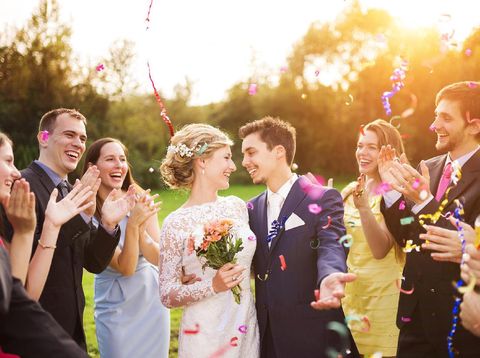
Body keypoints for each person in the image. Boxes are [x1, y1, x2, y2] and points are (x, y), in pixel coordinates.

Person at [2, 108, 135, 349]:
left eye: (82, 138)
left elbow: (93, 262)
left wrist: (107, 224)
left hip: (71, 325)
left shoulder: (72, 190)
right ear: (43, 138)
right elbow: (24, 261)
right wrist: (75, 219)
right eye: (69, 135)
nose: (78, 144)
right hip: (34, 328)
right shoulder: (21, 186)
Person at [239, 116, 358, 358]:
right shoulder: (250, 209)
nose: (244, 162)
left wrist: (330, 274)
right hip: (268, 338)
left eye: (251, 153)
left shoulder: (323, 197)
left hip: (314, 335)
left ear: (278, 151)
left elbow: (331, 242)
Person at [379, 81, 480, 356]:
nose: (434, 125)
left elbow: (451, 243)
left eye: (446, 117)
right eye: (436, 115)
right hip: (415, 319)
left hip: (461, 325)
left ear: (474, 125)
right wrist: (392, 193)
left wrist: (423, 200)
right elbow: (407, 237)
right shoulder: (429, 167)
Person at [158, 124, 259, 358]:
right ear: (202, 161)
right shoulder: (176, 223)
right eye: (226, 157)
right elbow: (167, 294)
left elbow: (252, 265)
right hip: (204, 332)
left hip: (244, 322)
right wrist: (212, 285)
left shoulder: (237, 206)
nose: (233, 166)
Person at [0, 131, 87, 358]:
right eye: (8, 161)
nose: (15, 172)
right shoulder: (27, 185)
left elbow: (16, 297)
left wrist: (42, 228)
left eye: (83, 138)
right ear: (44, 137)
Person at [83, 138, 170, 358]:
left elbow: (156, 256)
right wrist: (133, 224)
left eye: (122, 159)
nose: (119, 165)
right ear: (93, 167)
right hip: (115, 304)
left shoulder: (139, 197)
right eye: (110, 159)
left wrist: (140, 229)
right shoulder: (87, 210)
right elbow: (126, 267)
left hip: (150, 298)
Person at [341, 119, 405, 356]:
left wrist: (365, 209)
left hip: (383, 299)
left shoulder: (395, 194)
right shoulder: (349, 191)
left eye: (372, 147)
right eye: (360, 145)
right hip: (352, 298)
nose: (362, 153)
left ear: (388, 153)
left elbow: (380, 250)